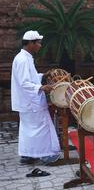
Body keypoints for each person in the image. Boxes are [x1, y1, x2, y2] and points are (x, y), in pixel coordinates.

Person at [11, 31, 61, 165]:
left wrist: (43, 76)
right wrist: (41, 88)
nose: (40, 45)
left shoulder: (25, 57)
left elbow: (30, 77)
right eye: (38, 43)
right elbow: (24, 82)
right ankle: (46, 155)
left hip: (27, 101)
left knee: (28, 129)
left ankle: (27, 155)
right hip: (31, 102)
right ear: (30, 43)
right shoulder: (22, 59)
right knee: (41, 127)